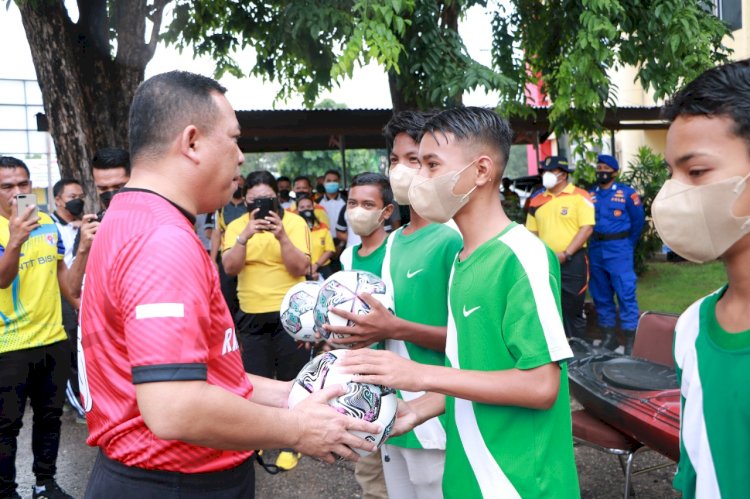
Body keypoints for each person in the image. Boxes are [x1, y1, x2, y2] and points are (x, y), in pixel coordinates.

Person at [78, 71, 378, 499]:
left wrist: (291, 394)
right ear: (192, 142)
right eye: (234, 138)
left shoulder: (128, 216)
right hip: (175, 482)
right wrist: (297, 428)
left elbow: (198, 373)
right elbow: (175, 407)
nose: (240, 157)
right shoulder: (162, 239)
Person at [340, 107, 580, 498]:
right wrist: (417, 409)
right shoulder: (462, 260)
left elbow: (541, 385)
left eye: (431, 165)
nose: (419, 178)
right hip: (468, 475)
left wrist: (419, 375)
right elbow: (469, 372)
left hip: (519, 481)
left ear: (482, 170)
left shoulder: (522, 255)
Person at [326, 111, 463, 498]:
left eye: (415, 160)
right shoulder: (395, 242)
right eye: (395, 160)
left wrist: (393, 328)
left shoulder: (451, 239)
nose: (400, 170)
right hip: (391, 412)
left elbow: (468, 342)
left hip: (436, 417)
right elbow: (382, 329)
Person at [651, 59, 750, 499]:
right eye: (671, 174)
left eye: (695, 172)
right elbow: (696, 470)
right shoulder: (691, 328)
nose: (672, 195)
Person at [222, 170, 312, 471]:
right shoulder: (235, 225)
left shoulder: (296, 222)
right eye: (254, 201)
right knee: (253, 381)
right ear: (245, 201)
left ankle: (292, 442)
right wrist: (244, 237)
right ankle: (258, 436)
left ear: (278, 199)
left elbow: (301, 266)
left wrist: (282, 236)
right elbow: (230, 268)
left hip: (291, 315)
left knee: (293, 380)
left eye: (267, 200)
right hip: (251, 315)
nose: (260, 207)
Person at [0, 156, 76, 499]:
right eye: (7, 187)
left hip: (53, 339)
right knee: (6, 427)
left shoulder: (47, 223)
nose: (18, 192)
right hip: (9, 345)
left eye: (23, 184)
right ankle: (6, 491)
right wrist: (15, 238)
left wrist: (86, 249)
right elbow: (3, 280)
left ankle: (45, 484)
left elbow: (67, 284)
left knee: (49, 419)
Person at [332, 171, 394, 499]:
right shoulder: (347, 257)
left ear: (387, 212)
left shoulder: (397, 253)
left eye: (368, 204)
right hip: (362, 374)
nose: (358, 210)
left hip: (399, 370)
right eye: (352, 203)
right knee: (370, 471)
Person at [526, 156, 595, 339]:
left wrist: (566, 254)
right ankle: (554, 355)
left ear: (563, 175)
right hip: (545, 263)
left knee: (573, 309)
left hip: (574, 261)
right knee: (547, 309)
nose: (545, 175)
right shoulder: (537, 200)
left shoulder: (581, 196)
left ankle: (577, 355)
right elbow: (531, 233)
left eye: (550, 171)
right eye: (544, 171)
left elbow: (587, 228)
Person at [589, 154, 645, 352]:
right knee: (601, 294)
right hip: (596, 248)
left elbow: (638, 221)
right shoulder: (590, 194)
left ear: (614, 172)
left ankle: (631, 341)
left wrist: (628, 244)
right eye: (599, 167)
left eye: (605, 168)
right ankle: (609, 337)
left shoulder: (627, 194)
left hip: (619, 248)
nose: (601, 171)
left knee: (625, 292)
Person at [49, 178, 87, 422]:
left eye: (81, 195)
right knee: (70, 348)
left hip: (81, 290)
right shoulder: (48, 226)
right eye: (72, 196)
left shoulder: (84, 225)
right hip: (59, 295)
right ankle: (74, 400)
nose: (77, 200)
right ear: (58, 200)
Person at [209, 175, 247, 315]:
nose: (239, 187)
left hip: (248, 255)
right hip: (227, 255)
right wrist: (213, 259)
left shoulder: (249, 206)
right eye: (237, 183)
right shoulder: (221, 207)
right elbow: (216, 233)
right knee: (227, 293)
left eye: (242, 185)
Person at [296, 195, 335, 280]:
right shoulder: (293, 228)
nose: (306, 209)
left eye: (309, 206)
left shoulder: (323, 227)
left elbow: (330, 250)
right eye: (302, 207)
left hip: (323, 268)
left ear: (313, 208)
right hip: (301, 270)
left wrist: (316, 265)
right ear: (297, 210)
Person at [319, 169, 346, 239]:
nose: (331, 183)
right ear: (323, 182)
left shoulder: (346, 202)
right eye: (328, 181)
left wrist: (341, 243)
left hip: (343, 241)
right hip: (323, 242)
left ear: (339, 182)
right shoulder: (317, 203)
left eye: (335, 181)